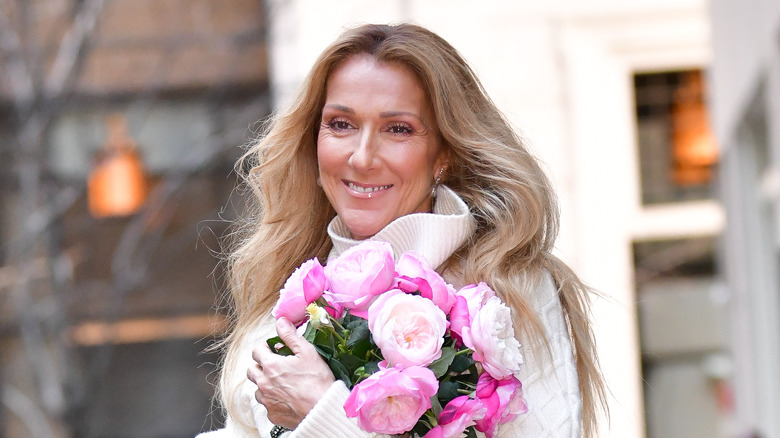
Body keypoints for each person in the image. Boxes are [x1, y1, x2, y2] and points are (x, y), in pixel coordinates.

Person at [199, 23, 606, 438]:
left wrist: (325, 415)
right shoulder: (288, 294)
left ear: (443, 153)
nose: (361, 157)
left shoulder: (509, 290)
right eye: (341, 124)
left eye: (398, 129)